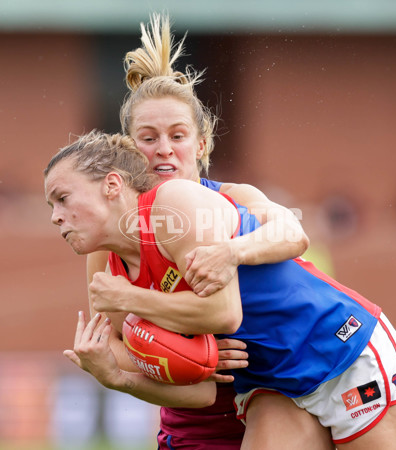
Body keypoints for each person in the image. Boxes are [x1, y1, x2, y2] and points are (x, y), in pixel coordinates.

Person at [45, 131, 396, 449]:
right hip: (268, 381)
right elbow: (201, 391)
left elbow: (225, 313)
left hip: (339, 349)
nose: (55, 216)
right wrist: (115, 376)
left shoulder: (173, 207)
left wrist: (130, 301)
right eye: (51, 205)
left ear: (112, 184)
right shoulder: (107, 267)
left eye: (63, 198)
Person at [73, 13, 330, 449]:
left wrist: (232, 252)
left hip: (278, 394)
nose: (164, 149)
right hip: (191, 416)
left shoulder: (234, 197)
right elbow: (110, 339)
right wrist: (193, 356)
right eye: (148, 137)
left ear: (202, 144)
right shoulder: (112, 236)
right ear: (128, 148)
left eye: (178, 135)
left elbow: (293, 234)